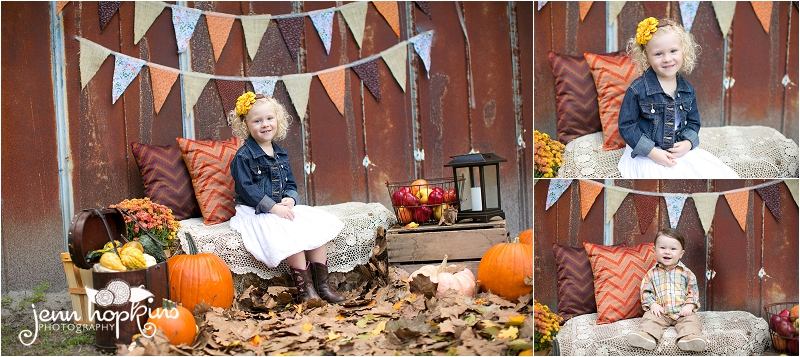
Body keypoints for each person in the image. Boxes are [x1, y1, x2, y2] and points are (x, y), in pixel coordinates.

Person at [227, 92, 345, 304]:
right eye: (257, 121)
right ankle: (305, 291)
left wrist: (290, 198)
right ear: (246, 125)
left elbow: (290, 183)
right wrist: (272, 208)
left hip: (280, 207)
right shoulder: (243, 156)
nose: (265, 125)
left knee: (313, 228)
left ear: (277, 120)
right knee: (290, 231)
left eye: (269, 119)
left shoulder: (280, 153)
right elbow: (247, 190)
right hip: (256, 210)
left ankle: (323, 287)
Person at [617, 17, 739, 178]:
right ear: (647, 56)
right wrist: (652, 152)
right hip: (647, 150)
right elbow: (627, 125)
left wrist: (688, 143)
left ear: (684, 51)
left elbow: (693, 123)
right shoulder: (637, 90)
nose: (667, 59)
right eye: (658, 54)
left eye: (673, 51)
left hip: (676, 146)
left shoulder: (687, 90)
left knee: (708, 172)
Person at [626, 228, 707, 352]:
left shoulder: (687, 273)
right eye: (662, 248)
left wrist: (689, 306)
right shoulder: (651, 274)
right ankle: (646, 335)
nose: (667, 252)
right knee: (649, 318)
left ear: (681, 253)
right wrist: (652, 304)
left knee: (691, 321)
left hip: (682, 312)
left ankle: (689, 338)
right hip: (661, 312)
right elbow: (646, 291)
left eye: (673, 249)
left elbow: (693, 290)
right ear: (654, 251)